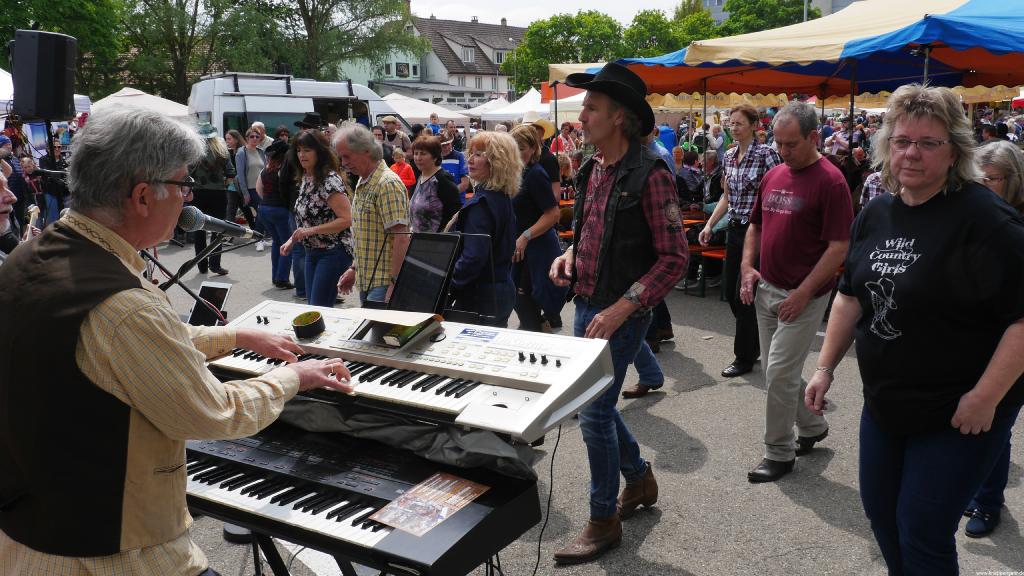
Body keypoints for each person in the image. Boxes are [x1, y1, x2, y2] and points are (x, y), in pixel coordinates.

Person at [0, 106, 353, 575]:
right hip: (114, 554)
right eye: (184, 184)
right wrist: (293, 376)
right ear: (144, 195)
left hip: (31, 534)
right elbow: (214, 411)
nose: (190, 199)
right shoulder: (124, 305)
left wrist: (235, 335)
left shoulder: (33, 256)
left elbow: (124, 343)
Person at [805, 84, 1024, 575]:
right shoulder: (876, 212)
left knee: (923, 530)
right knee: (882, 516)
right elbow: (849, 295)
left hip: (959, 412)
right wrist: (824, 368)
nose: (912, 153)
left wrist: (986, 397)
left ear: (955, 152)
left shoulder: (986, 220)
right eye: (903, 140)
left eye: (929, 143)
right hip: (887, 404)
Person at [549, 62, 688, 564]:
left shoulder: (651, 173)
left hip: (623, 314)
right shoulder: (591, 168)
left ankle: (603, 520)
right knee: (599, 408)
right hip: (587, 305)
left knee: (593, 412)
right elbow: (586, 232)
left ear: (620, 118)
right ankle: (640, 478)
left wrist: (624, 306)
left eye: (591, 108)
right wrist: (566, 255)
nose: (581, 115)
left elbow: (675, 259)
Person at [737, 101, 853, 482]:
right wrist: (747, 266)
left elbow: (839, 246)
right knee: (777, 372)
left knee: (779, 373)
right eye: (779, 144)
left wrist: (804, 293)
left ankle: (779, 452)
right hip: (768, 289)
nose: (784, 152)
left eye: (791, 144)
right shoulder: (774, 175)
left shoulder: (831, 180)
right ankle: (814, 426)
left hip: (803, 297)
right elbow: (755, 225)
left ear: (814, 137)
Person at [959, 139, 1024, 537]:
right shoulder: (974, 217)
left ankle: (989, 501)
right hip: (972, 337)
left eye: (990, 180)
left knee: (996, 422)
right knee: (974, 424)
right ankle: (976, 489)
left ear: (1013, 181)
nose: (981, 187)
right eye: (975, 180)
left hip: (1012, 343)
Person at [699, 103, 782, 378]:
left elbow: (778, 192)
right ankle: (757, 340)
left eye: (738, 123)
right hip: (735, 230)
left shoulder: (766, 154)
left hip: (757, 231)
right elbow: (726, 195)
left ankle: (744, 356)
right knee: (733, 296)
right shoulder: (730, 155)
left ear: (754, 126)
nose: (733, 128)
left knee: (743, 295)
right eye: (731, 123)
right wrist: (710, 224)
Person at [335, 124, 411, 306]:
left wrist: (394, 283)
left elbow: (401, 238)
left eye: (347, 156)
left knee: (377, 333)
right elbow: (366, 235)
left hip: (383, 283)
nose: (343, 163)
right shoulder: (364, 180)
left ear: (366, 151)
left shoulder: (387, 183)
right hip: (368, 280)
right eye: (341, 157)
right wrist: (354, 268)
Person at [448, 131, 518, 326]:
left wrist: (448, 285)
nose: (469, 160)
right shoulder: (501, 197)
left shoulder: (482, 203)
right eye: (471, 153)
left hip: (482, 294)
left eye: (478, 154)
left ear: (497, 162)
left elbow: (473, 258)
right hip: (501, 288)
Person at [281, 130, 354, 307]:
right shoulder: (306, 177)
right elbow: (307, 219)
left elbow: (346, 219)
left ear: (319, 152)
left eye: (307, 150)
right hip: (312, 252)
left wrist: (309, 232)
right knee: (314, 307)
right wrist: (293, 239)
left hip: (333, 251)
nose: (301, 155)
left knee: (318, 308)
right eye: (298, 150)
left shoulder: (329, 180)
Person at [509, 125, 566, 332]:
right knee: (519, 299)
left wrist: (525, 235)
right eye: (513, 147)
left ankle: (538, 335)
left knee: (526, 300)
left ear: (533, 148)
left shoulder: (535, 174)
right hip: (520, 248)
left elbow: (553, 214)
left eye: (522, 148)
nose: (517, 152)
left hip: (537, 247)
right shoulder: (516, 173)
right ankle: (539, 329)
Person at [189, 123, 235, 275]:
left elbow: (186, 173)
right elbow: (230, 173)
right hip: (218, 194)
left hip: (198, 194)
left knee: (199, 230)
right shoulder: (222, 152)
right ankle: (215, 265)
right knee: (218, 230)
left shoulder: (193, 152)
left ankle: (201, 266)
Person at [256, 140, 296, 289]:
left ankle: (275, 276)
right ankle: (282, 278)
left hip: (264, 208)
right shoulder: (284, 170)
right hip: (280, 209)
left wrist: (267, 201)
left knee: (277, 242)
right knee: (287, 244)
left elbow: (259, 188)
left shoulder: (265, 170)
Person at [408, 135, 460, 233]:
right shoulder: (420, 177)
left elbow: (455, 215)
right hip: (417, 241)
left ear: (435, 157)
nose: (418, 158)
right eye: (416, 153)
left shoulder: (442, 180)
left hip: (436, 243)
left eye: (423, 154)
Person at [234, 128, 267, 251]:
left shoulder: (261, 151)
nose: (254, 139)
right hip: (251, 188)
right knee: (262, 211)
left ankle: (260, 237)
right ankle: (259, 239)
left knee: (263, 212)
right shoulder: (241, 152)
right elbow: (240, 175)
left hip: (263, 188)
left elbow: (265, 169)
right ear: (247, 138)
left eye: (257, 137)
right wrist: (245, 193)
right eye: (252, 136)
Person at [440, 137, 470, 204]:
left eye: (448, 144)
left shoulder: (459, 156)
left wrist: (449, 195)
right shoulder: (434, 158)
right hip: (439, 203)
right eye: (443, 145)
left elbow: (465, 184)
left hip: (458, 201)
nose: (446, 147)